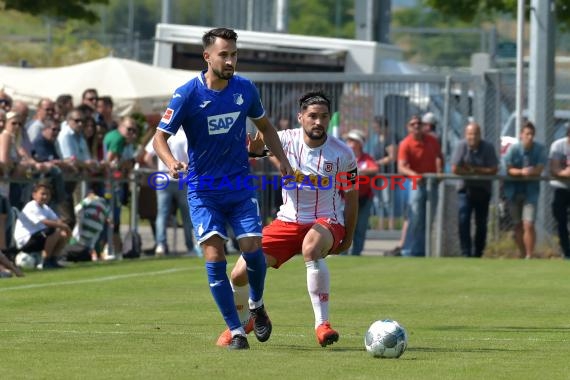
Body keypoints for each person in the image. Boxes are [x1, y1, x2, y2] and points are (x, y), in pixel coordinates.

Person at [152, 27, 293, 350]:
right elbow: (159, 137)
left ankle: (256, 305)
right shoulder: (187, 93)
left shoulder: (245, 89)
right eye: (224, 55)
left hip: (239, 187)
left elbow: (265, 128)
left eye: (234, 54)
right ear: (207, 57)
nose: (230, 60)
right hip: (204, 190)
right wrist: (172, 162)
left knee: (253, 248)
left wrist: (281, 159)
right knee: (214, 254)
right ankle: (236, 330)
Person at [216, 90, 359, 348]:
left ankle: (322, 325)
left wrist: (348, 237)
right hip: (287, 221)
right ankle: (246, 320)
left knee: (311, 248)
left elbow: (351, 196)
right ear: (300, 117)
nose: (318, 122)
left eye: (324, 116)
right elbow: (254, 150)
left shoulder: (343, 154)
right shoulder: (283, 140)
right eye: (313, 116)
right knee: (238, 274)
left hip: (327, 220)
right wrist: (254, 145)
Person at [144, 128, 199, 257]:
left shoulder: (160, 135)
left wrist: (157, 169)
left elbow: (147, 157)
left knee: (162, 214)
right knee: (186, 216)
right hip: (182, 179)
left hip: (163, 179)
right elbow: (190, 159)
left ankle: (160, 245)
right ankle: (190, 246)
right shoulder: (185, 135)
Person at [397, 115, 443, 257]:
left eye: (419, 123)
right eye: (413, 124)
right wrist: (415, 175)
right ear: (409, 127)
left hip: (432, 182)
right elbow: (401, 167)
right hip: (415, 183)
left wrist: (440, 171)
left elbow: (439, 157)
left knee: (430, 218)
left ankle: (423, 250)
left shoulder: (432, 141)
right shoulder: (405, 143)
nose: (416, 126)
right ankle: (410, 250)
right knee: (415, 217)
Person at [451, 122, 499, 258]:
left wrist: (472, 169)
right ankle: (465, 252)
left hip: (482, 190)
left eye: (475, 134)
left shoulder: (488, 147)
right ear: (466, 135)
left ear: (480, 135)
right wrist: (482, 171)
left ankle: (478, 253)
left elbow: (494, 169)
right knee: (463, 218)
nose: (472, 137)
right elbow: (455, 168)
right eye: (470, 134)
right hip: (465, 189)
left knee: (481, 223)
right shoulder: (461, 146)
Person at [503, 121, 546, 259]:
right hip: (513, 191)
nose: (530, 137)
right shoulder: (513, 149)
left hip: (530, 192)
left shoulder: (539, 149)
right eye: (527, 134)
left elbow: (539, 169)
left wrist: (531, 172)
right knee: (517, 225)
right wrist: (522, 172)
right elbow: (509, 169)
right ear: (521, 135)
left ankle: (529, 255)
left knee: (528, 224)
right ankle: (521, 253)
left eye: (532, 134)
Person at [13, 182, 71, 269]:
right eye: (43, 194)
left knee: (62, 234)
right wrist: (64, 226)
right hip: (25, 241)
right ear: (34, 195)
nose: (45, 197)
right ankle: (46, 261)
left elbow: (56, 220)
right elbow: (44, 222)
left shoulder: (45, 208)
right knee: (55, 231)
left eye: (48, 194)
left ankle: (53, 260)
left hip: (36, 238)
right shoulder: (31, 206)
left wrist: (64, 228)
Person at [345, 129, 378, 256]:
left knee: (360, 227)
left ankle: (356, 253)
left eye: (352, 140)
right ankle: (342, 252)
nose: (349, 143)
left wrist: (357, 172)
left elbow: (374, 169)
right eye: (349, 140)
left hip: (364, 198)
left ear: (359, 143)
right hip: (345, 198)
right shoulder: (343, 156)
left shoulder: (366, 158)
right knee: (344, 226)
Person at [548, 123, 570, 259]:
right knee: (561, 220)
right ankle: (566, 251)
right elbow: (554, 169)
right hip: (561, 188)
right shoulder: (558, 146)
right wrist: (566, 174)